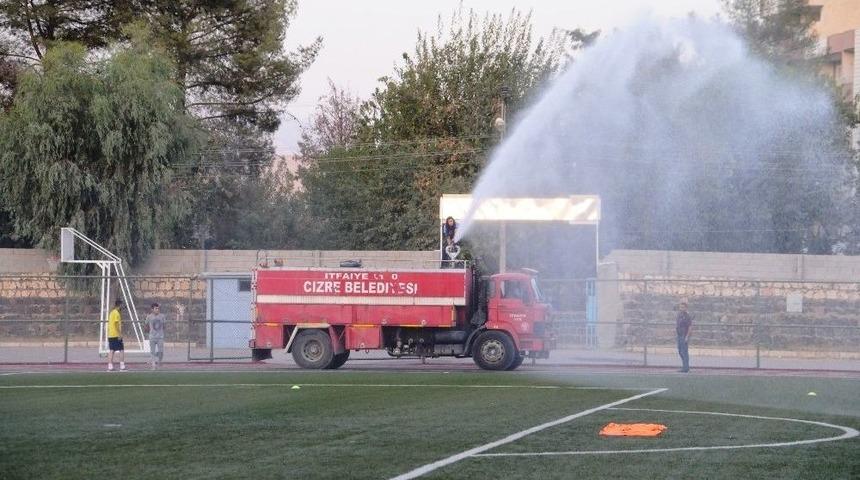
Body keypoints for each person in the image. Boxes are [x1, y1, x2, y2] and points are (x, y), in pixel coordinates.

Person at [107, 299, 126, 371]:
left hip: (110, 334)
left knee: (111, 350)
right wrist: (120, 334)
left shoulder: (112, 312)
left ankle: (110, 366)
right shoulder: (116, 313)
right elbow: (116, 324)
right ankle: (122, 365)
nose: (122, 307)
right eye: (122, 305)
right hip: (116, 335)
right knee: (121, 349)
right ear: (120, 305)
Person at [146, 303, 166, 370]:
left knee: (161, 351)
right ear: (152, 309)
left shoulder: (162, 316)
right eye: (156, 308)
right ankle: (153, 365)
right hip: (152, 337)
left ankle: (159, 362)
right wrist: (149, 332)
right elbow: (146, 325)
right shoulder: (149, 316)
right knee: (152, 351)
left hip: (160, 337)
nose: (157, 310)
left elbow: (164, 325)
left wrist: (162, 332)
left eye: (158, 308)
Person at [676, 300, 693, 373]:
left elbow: (690, 327)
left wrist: (687, 337)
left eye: (683, 307)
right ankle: (684, 366)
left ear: (686, 308)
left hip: (684, 335)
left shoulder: (687, 316)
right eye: (680, 307)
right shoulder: (679, 315)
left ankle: (686, 367)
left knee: (684, 352)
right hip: (679, 335)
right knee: (680, 351)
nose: (681, 308)